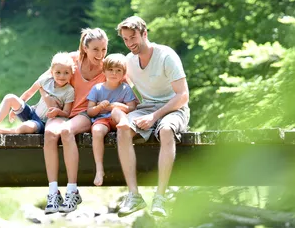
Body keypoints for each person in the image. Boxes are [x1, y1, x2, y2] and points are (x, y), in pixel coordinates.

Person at [115, 16, 190, 217]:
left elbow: (183, 96)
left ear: (144, 34)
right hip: (146, 108)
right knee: (122, 128)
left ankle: (160, 197)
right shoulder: (128, 61)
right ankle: (134, 196)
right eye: (125, 39)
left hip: (174, 109)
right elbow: (117, 81)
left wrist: (154, 116)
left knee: (165, 130)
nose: (130, 43)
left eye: (133, 37)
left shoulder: (166, 56)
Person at [42, 28, 108, 214]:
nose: (100, 54)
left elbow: (125, 89)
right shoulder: (70, 60)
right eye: (96, 49)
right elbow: (43, 81)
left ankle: (72, 191)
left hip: (86, 114)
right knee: (49, 133)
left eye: (104, 49)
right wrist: (48, 101)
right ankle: (53, 193)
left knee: (66, 131)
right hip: (64, 112)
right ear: (85, 48)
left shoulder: (107, 66)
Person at [0, 52, 75, 136]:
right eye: (58, 72)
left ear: (71, 73)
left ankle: (1, 131)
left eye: (66, 73)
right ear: (52, 72)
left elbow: (66, 113)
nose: (62, 76)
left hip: (42, 123)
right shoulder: (45, 81)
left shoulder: (69, 91)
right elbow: (29, 93)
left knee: (25, 128)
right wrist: (17, 107)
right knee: (10, 97)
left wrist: (58, 111)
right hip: (32, 113)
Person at [87, 53, 136, 186]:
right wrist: (99, 107)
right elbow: (90, 112)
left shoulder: (125, 88)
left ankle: (125, 124)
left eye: (118, 70)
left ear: (123, 73)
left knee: (116, 111)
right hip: (103, 120)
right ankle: (99, 168)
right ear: (104, 71)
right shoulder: (97, 89)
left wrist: (119, 106)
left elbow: (132, 108)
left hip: (119, 120)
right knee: (96, 131)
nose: (114, 73)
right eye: (110, 70)